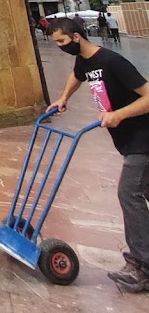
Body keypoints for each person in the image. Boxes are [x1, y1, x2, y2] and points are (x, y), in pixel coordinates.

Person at [48, 16, 149, 292]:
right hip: (128, 140)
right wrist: (63, 98)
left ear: (77, 37)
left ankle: (142, 266)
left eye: (62, 41)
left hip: (143, 138)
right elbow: (77, 75)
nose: (59, 47)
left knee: (129, 193)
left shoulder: (112, 62)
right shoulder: (84, 61)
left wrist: (117, 114)